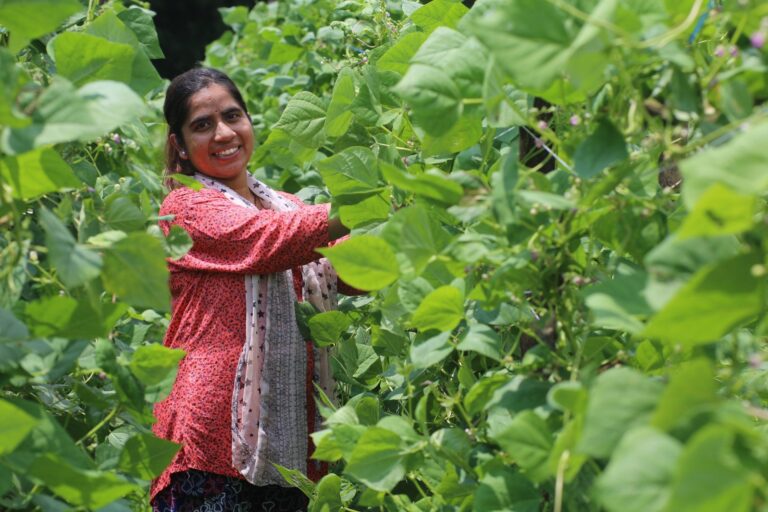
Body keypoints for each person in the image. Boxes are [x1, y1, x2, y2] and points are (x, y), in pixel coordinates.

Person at [150, 67, 353, 512]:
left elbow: (354, 271)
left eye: (232, 115)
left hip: (290, 444)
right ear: (179, 146)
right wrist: (364, 195)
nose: (223, 133)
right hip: (209, 443)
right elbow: (266, 240)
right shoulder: (184, 206)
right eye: (202, 126)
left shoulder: (287, 207)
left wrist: (408, 212)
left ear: (248, 121)